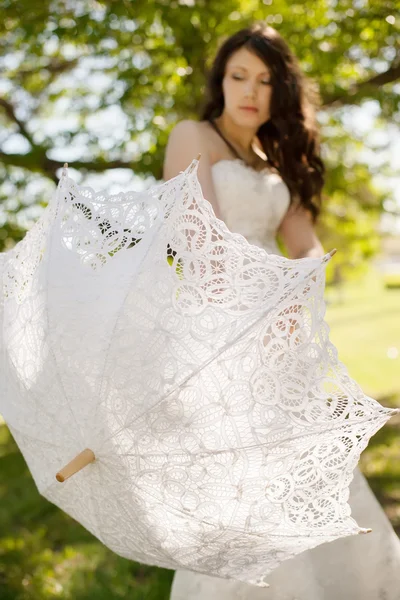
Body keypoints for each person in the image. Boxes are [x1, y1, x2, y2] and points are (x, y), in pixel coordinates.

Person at [163, 22, 400, 600]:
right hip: (219, 331)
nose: (251, 91)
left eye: (266, 80)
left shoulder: (275, 155)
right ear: (220, 80)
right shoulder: (192, 135)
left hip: (282, 336)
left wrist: (298, 294)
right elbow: (203, 249)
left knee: (312, 473)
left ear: (281, 91)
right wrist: (264, 304)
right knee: (242, 481)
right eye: (239, 76)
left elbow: (306, 244)